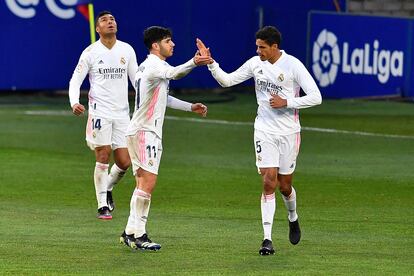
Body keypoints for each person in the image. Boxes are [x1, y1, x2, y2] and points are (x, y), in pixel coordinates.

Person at [196, 26, 322, 255]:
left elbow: (316, 97)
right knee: (268, 181)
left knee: (285, 186)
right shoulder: (255, 64)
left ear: (275, 47)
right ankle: (267, 239)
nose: (258, 51)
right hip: (264, 130)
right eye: (257, 46)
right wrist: (211, 63)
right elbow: (227, 80)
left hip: (289, 133)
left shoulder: (293, 65)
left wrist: (288, 102)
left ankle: (293, 216)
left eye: (262, 47)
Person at [119, 26, 212, 251]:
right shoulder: (155, 65)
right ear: (155, 45)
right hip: (145, 132)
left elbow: (164, 97)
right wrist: (194, 61)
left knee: (142, 183)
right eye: (168, 41)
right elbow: (175, 73)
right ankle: (140, 235)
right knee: (148, 183)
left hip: (139, 130)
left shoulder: (147, 67)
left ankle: (130, 232)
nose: (173, 45)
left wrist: (191, 106)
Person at [69, 11, 138, 220]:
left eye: (113, 19)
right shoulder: (90, 52)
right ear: (97, 28)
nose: (110, 22)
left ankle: (107, 187)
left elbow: (137, 81)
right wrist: (74, 102)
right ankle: (102, 205)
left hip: (123, 114)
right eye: (105, 20)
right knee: (103, 154)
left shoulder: (127, 50)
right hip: (100, 111)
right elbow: (75, 80)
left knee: (125, 161)